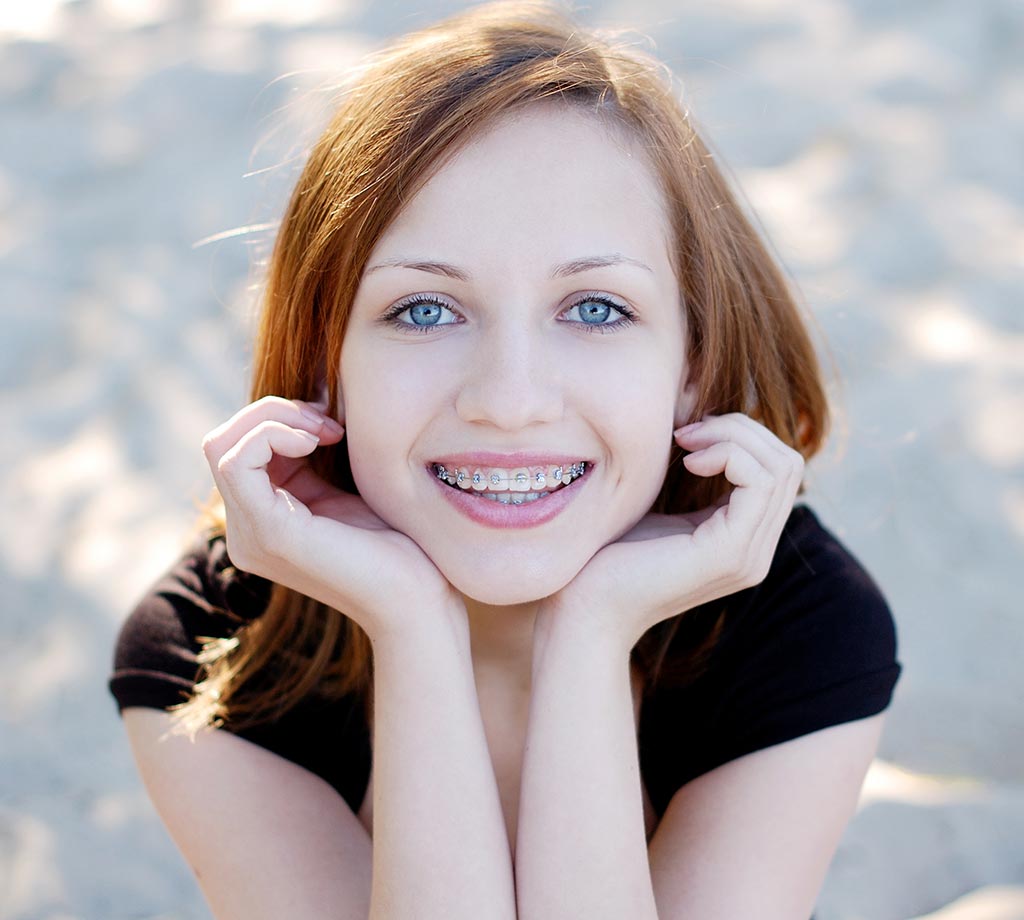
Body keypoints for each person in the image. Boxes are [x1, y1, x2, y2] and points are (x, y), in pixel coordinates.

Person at [108, 2, 902, 918]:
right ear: (327, 364)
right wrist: (411, 627)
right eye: (425, 310)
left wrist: (591, 631)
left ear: (694, 366)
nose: (509, 400)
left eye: (596, 308)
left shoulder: (798, 621)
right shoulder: (214, 650)